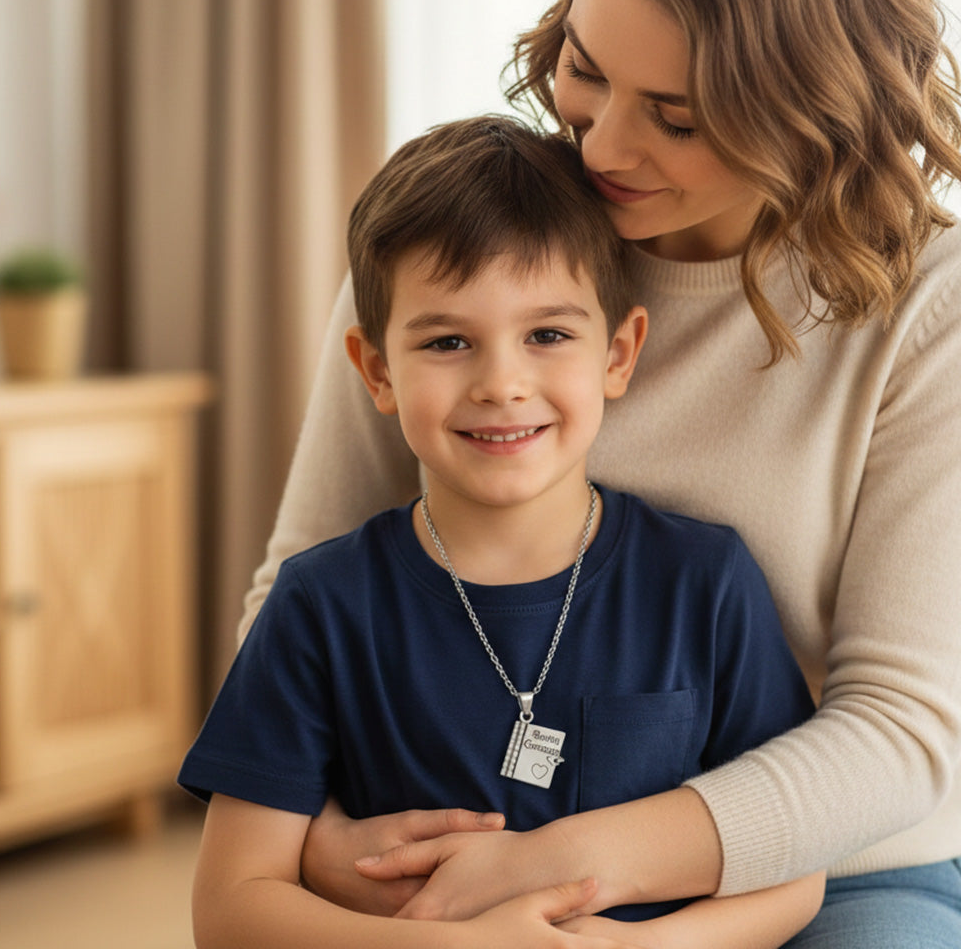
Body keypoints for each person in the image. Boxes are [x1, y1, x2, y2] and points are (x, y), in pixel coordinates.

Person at [241, 0, 961, 945]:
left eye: (678, 116)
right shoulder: (462, 246)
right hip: (445, 867)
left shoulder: (930, 293)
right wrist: (329, 846)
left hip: (828, 874)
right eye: (585, 72)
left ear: (816, 104)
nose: (603, 148)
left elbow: (897, 728)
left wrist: (559, 873)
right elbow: (301, 584)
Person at [180, 115, 825, 949]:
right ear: (377, 371)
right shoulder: (319, 604)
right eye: (448, 341)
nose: (502, 384)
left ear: (619, 354)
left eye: (547, 335)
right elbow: (232, 906)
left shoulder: (705, 581)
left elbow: (795, 869)